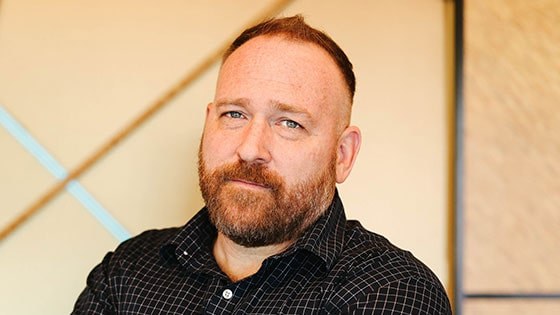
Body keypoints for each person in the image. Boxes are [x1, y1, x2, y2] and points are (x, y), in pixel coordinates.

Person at [72, 15, 452, 314]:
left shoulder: (391, 292)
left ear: (342, 155)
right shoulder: (127, 272)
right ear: (207, 125)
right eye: (234, 114)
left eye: (290, 123)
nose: (250, 148)